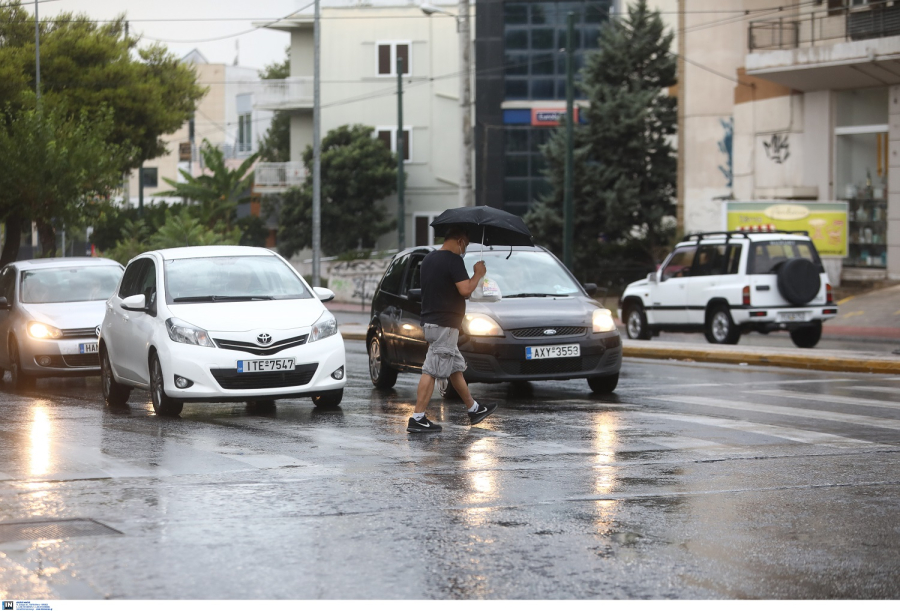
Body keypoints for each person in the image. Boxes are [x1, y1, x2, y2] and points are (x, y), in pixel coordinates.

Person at [407, 226, 498, 433]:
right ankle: (417, 418)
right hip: (445, 325)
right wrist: (478, 273)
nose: (465, 247)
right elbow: (465, 289)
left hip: (432, 322)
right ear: (459, 240)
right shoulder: (453, 260)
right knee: (431, 369)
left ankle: (473, 409)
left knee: (455, 368)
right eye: (465, 243)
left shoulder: (429, 259)